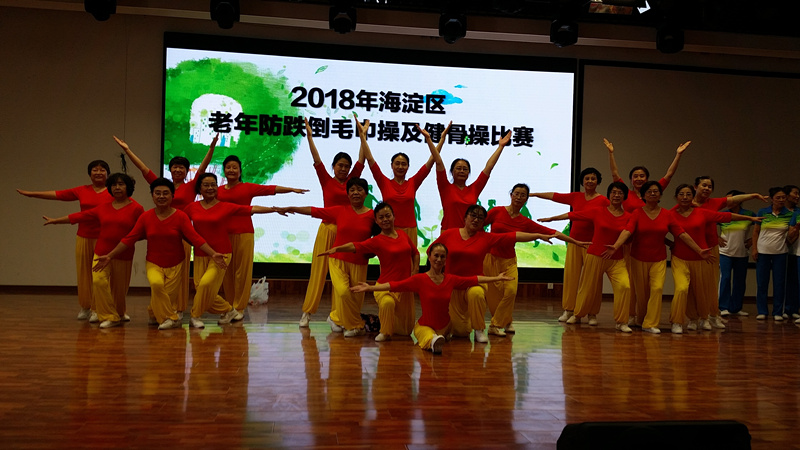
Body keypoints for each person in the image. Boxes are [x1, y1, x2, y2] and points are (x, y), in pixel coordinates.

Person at [93, 178, 228, 330]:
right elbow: (129, 239)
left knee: (165, 297)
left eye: (165, 193)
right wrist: (110, 255)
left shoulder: (181, 216)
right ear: (152, 196)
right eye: (157, 193)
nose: (161, 196)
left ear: (172, 196)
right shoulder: (146, 217)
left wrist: (213, 254)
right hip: (154, 263)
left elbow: (195, 238)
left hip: (176, 264)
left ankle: (153, 313)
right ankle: (170, 318)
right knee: (156, 285)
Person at [115, 134, 218, 319]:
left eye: (181, 167)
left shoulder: (191, 186)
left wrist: (211, 148)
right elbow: (143, 169)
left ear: (187, 171)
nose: (178, 169)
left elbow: (203, 168)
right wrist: (127, 150)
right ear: (170, 169)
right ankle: (158, 310)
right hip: (161, 234)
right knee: (158, 279)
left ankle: (177, 308)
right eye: (174, 167)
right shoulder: (162, 187)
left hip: (182, 234)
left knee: (179, 276)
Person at [350, 243, 513, 354]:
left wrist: (497, 278)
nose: (439, 260)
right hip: (425, 325)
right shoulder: (420, 279)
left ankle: (438, 339)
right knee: (428, 335)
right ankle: (434, 342)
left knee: (459, 332)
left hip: (446, 327)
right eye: (436, 256)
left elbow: (475, 279)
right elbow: (394, 285)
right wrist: (370, 288)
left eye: (442, 257)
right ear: (429, 257)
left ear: (446, 260)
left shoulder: (450, 279)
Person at [432, 204, 555, 343]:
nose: (476, 219)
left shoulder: (486, 238)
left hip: (474, 283)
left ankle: (479, 330)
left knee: (477, 293)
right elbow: (432, 251)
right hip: (452, 285)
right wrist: (437, 275)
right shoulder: (449, 234)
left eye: (480, 218)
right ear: (465, 218)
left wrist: (538, 235)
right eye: (473, 215)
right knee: (461, 332)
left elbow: (513, 236)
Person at [483, 183, 590, 336]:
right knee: (494, 297)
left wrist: (575, 242)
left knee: (511, 291)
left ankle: (495, 325)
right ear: (511, 195)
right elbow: (477, 226)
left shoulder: (524, 221)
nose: (519, 197)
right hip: (490, 258)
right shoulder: (497, 211)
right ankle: (506, 321)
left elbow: (551, 232)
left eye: (523, 195)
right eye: (516, 193)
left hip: (509, 260)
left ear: (526, 199)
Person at [603, 181, 709, 334]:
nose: (652, 194)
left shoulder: (667, 214)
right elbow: (627, 231)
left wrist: (699, 250)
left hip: (658, 259)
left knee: (657, 289)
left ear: (660, 195)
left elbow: (681, 234)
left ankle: (650, 323)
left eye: (656, 191)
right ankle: (641, 319)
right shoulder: (637, 213)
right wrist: (616, 245)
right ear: (644, 195)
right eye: (649, 191)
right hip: (637, 258)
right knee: (642, 294)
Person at [605, 138, 691, 325]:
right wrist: (611, 153)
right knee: (631, 283)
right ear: (631, 179)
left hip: (650, 244)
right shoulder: (626, 194)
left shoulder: (653, 191)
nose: (639, 179)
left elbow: (669, 175)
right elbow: (614, 174)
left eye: (642, 176)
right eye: (635, 176)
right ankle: (631, 315)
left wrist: (678, 155)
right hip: (628, 243)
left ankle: (645, 318)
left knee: (650, 286)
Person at [184, 173, 287, 329]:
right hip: (200, 254)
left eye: (213, 184)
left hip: (221, 254)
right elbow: (182, 226)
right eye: (206, 185)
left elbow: (251, 209)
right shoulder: (192, 207)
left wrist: (273, 209)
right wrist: (191, 242)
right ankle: (229, 310)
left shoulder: (225, 206)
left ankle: (195, 316)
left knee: (205, 285)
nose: (210, 188)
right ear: (199, 188)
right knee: (201, 289)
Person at [42, 173, 144, 328]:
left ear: (128, 187)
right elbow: (81, 216)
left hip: (123, 255)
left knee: (119, 290)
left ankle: (119, 312)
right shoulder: (103, 207)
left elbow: (143, 230)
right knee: (98, 281)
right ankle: (109, 316)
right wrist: (56, 221)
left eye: (121, 184)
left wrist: (129, 240)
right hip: (101, 252)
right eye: (114, 185)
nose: (117, 188)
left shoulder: (136, 208)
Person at [18, 160, 113, 320]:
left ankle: (99, 308)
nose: (98, 172)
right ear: (89, 174)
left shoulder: (113, 191)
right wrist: (32, 194)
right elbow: (58, 195)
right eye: (95, 170)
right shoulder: (82, 190)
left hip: (105, 238)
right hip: (84, 236)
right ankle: (86, 306)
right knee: (84, 273)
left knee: (100, 275)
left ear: (108, 173)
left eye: (102, 170)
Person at [217, 154, 308, 321]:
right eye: (228, 167)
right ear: (224, 170)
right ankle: (229, 307)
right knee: (226, 272)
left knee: (242, 272)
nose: (231, 170)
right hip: (223, 235)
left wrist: (291, 189)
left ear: (240, 171)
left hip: (244, 233)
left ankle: (239, 307)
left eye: (234, 167)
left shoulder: (247, 188)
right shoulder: (218, 191)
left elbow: (270, 189)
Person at [279, 178, 375, 337]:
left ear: (366, 193)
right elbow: (314, 211)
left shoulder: (372, 215)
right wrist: (292, 208)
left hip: (360, 262)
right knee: (343, 292)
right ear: (347, 194)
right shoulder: (340, 210)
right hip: (338, 260)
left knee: (356, 298)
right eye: (352, 190)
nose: (355, 193)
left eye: (359, 190)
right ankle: (353, 325)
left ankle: (337, 318)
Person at [319, 202, 419, 342]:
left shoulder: (403, 234)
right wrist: (337, 249)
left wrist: (415, 270)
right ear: (376, 221)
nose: (385, 219)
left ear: (393, 216)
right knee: (387, 303)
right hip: (384, 287)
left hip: (404, 287)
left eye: (388, 216)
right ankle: (384, 332)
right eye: (381, 217)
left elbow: (415, 253)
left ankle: (377, 323)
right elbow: (356, 246)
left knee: (405, 332)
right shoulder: (377, 240)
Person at [298, 117, 365, 328]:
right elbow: (316, 158)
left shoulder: (353, 182)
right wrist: (310, 137)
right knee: (318, 272)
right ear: (333, 166)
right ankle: (307, 312)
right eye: (340, 166)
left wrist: (363, 136)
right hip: (327, 230)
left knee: (342, 277)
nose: (343, 169)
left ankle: (338, 316)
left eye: (346, 166)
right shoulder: (326, 180)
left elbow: (362, 159)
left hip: (346, 233)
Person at [540, 182, 633, 332]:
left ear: (624, 196)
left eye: (620, 193)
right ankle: (577, 315)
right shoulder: (598, 211)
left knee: (624, 286)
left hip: (616, 259)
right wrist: (552, 219)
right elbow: (574, 215)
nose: (616, 195)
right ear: (609, 195)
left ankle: (622, 322)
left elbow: (628, 234)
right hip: (595, 255)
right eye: (613, 192)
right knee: (587, 287)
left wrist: (617, 246)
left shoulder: (629, 217)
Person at [669, 184, 761, 332]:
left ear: (693, 197)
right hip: (680, 258)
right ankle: (679, 321)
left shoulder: (701, 212)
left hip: (701, 258)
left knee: (702, 291)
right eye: (681, 194)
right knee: (682, 288)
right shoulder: (670, 214)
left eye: (688, 194)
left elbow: (726, 216)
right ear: (675, 197)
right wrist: (669, 243)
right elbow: (657, 231)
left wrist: (750, 217)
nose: (685, 197)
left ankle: (703, 318)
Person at [529, 167, 610, 323]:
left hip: (593, 244)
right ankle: (569, 310)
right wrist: (534, 194)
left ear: (598, 181)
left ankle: (592, 313)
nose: (590, 181)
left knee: (593, 279)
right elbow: (554, 196)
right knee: (571, 276)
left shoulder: (603, 201)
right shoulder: (576, 197)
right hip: (574, 242)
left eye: (593, 178)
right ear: (582, 181)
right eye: (587, 178)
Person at [356, 119, 447, 250]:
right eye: (397, 163)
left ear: (408, 167)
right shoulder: (384, 182)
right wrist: (362, 135)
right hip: (389, 230)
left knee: (410, 261)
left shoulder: (413, 182)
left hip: (410, 231)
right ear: (391, 166)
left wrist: (436, 139)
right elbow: (370, 159)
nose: (400, 166)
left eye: (403, 164)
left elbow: (432, 160)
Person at [692, 175, 768, 321]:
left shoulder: (715, 203)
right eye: (704, 185)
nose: (707, 188)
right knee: (702, 282)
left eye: (709, 186)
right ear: (696, 187)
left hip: (717, 249)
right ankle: (701, 313)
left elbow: (733, 201)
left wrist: (753, 196)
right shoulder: (689, 204)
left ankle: (717, 313)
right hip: (699, 248)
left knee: (715, 282)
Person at [429, 124, 512, 231]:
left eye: (465, 169)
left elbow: (488, 167)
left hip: (471, 234)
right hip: (449, 233)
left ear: (469, 173)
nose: (462, 171)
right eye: (458, 168)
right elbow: (438, 161)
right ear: (452, 172)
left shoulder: (474, 188)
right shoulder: (445, 187)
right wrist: (440, 139)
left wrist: (500, 147)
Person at [752, 186, 793, 321]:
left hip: (780, 253)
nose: (781, 200)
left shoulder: (789, 214)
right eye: (778, 198)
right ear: (771, 199)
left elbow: (793, 232)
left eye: (783, 198)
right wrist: (754, 249)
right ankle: (762, 311)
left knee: (779, 283)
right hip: (763, 252)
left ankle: (777, 312)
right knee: (762, 283)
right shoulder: (763, 212)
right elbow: (756, 232)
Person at [718, 190, 756, 317]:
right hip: (725, 252)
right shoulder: (723, 214)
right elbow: (708, 224)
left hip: (742, 252)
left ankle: (736, 307)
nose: (728, 202)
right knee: (725, 278)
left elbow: (762, 225)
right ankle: (723, 306)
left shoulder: (749, 214)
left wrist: (752, 240)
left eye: (731, 199)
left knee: (740, 280)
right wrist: (716, 237)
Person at [783, 184, 800, 319]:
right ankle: (785, 308)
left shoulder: (797, 212)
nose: (797, 196)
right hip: (783, 250)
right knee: (785, 281)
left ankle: (794, 308)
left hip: (796, 250)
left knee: (796, 281)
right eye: (795, 193)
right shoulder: (779, 211)